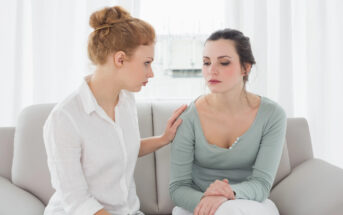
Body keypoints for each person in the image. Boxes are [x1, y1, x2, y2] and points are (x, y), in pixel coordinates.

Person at [43, 6, 186, 215]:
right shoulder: (65, 118)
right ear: (120, 59)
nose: (151, 73)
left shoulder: (126, 100)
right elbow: (76, 201)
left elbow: (122, 149)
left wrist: (164, 138)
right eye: (146, 63)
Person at [169, 28, 287, 215]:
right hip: (198, 205)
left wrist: (228, 193)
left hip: (249, 202)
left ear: (246, 67)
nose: (212, 70)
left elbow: (262, 184)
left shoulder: (272, 115)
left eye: (224, 63)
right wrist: (209, 201)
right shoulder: (189, 116)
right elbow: (178, 187)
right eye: (206, 63)